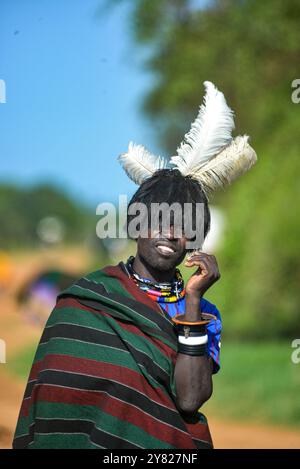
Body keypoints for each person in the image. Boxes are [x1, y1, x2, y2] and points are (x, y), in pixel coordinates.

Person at [13, 81, 257, 449]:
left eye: (185, 226)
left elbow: (190, 399)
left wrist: (192, 300)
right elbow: (55, 397)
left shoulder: (204, 314)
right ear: (136, 224)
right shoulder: (85, 304)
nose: (170, 233)